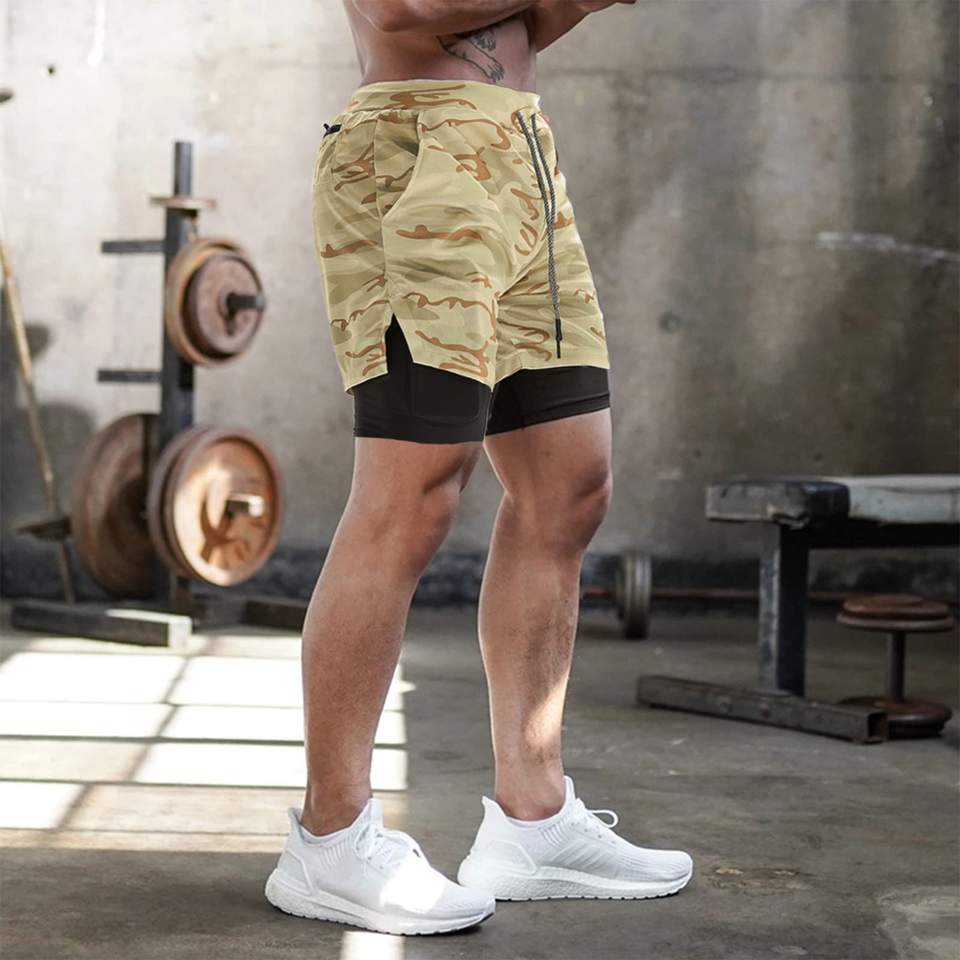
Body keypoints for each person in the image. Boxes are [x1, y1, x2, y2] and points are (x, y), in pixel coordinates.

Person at [265, 0, 692, 935]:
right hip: (415, 154)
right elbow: (409, 9)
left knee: (568, 486)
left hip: (518, 153)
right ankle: (329, 838)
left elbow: (521, 31)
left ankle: (533, 820)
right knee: (413, 495)